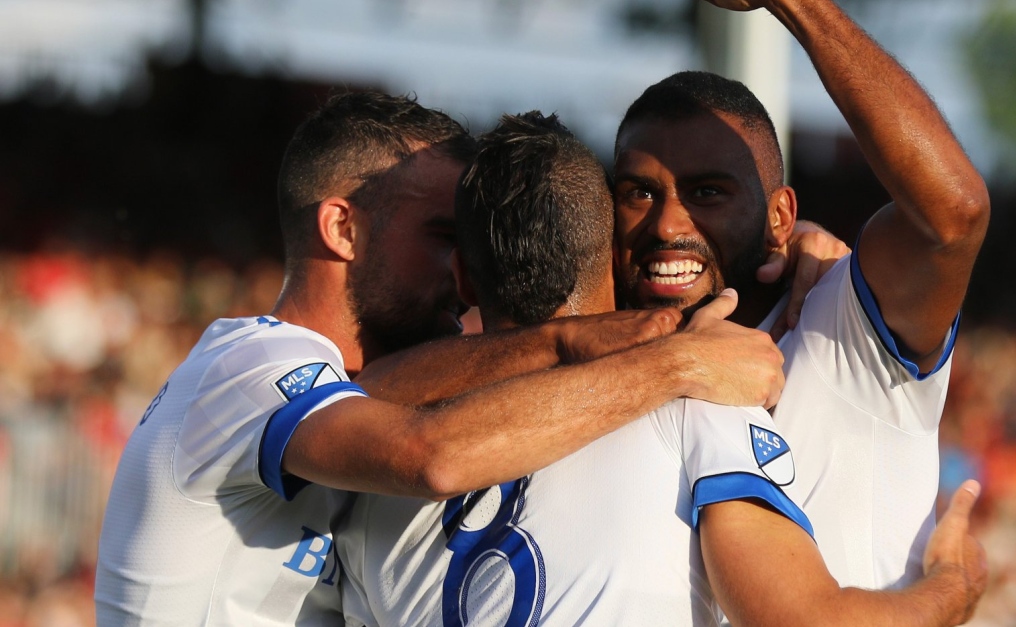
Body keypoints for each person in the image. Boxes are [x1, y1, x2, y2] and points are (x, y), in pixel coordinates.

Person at [94, 92, 785, 626]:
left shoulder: (344, 394)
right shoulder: (246, 369)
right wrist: (677, 363)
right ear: (342, 227)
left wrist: (796, 248)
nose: (462, 267)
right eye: (440, 234)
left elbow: (383, 389)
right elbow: (431, 455)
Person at [336, 111, 986, 627]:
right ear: (615, 255)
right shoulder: (689, 390)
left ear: (461, 280)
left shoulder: (365, 471)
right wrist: (950, 589)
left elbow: (348, 399)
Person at [612, 0, 991, 590]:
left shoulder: (840, 327)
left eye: (706, 192)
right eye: (639, 193)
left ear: (780, 216)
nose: (668, 222)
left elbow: (952, 217)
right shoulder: (594, 367)